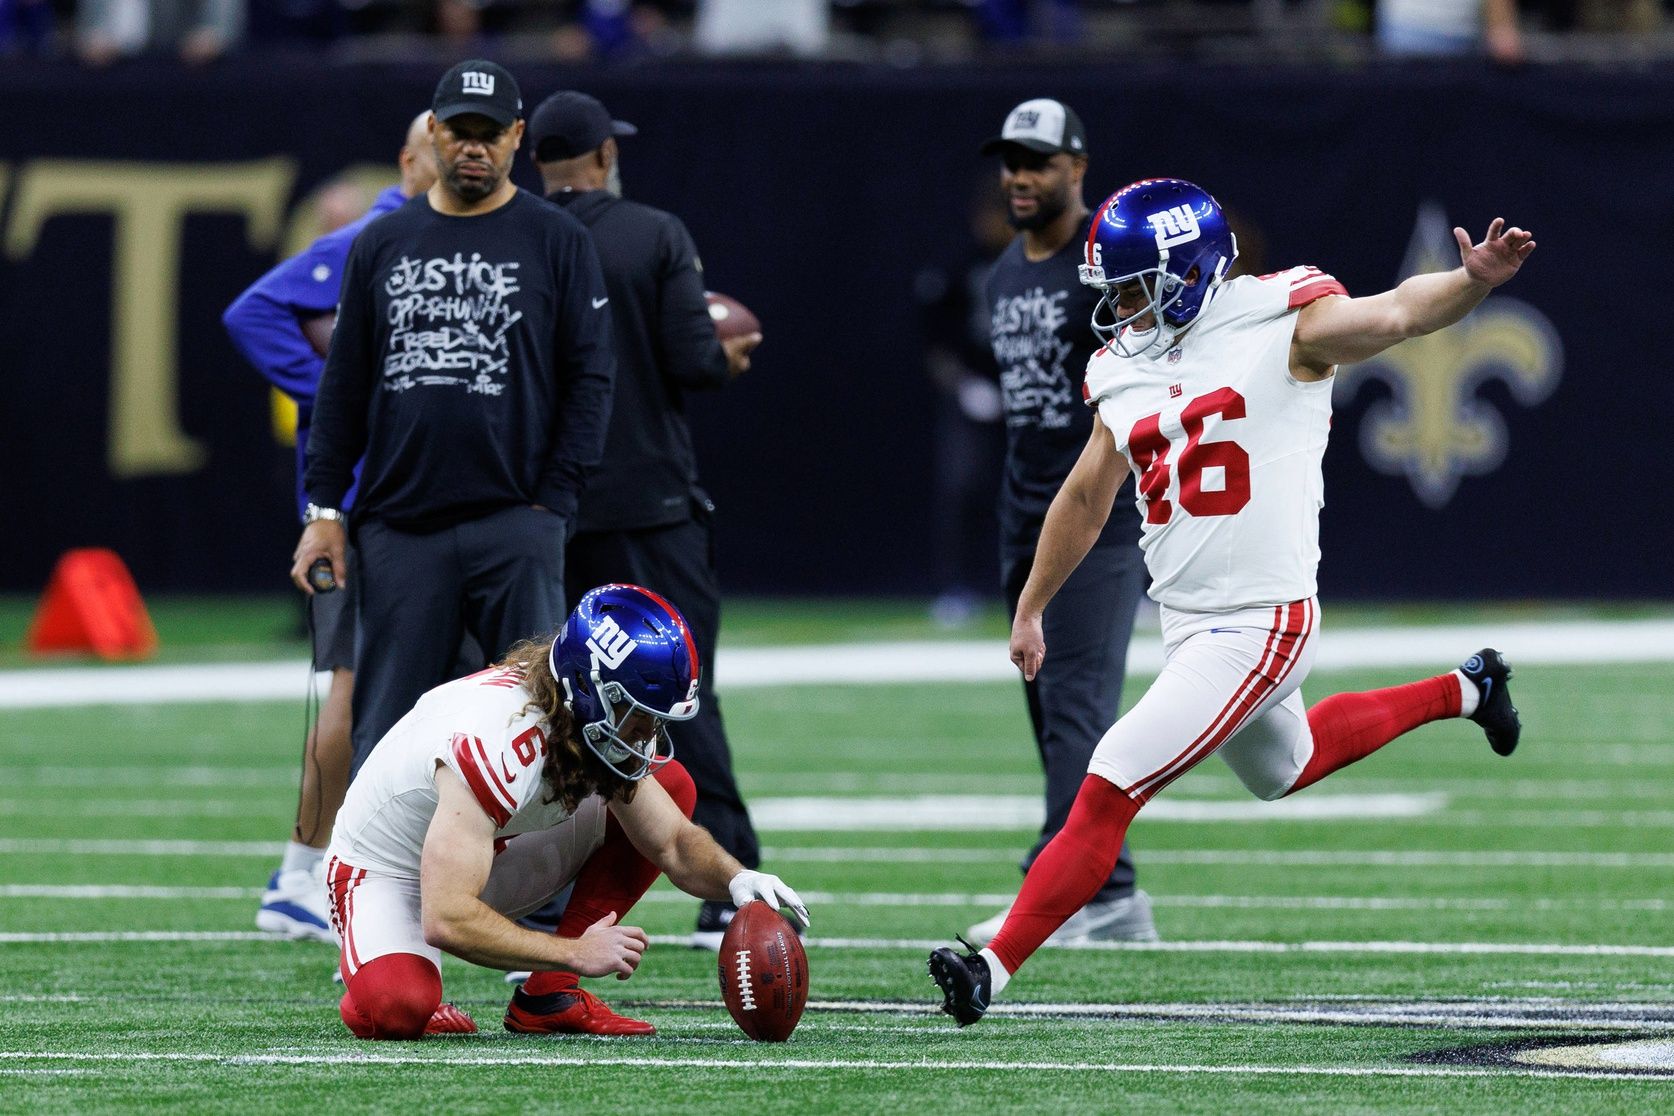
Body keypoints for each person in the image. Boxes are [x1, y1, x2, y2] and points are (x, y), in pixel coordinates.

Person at [928, 178, 1532, 1027]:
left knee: (1109, 782)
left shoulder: (1279, 320)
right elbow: (1085, 496)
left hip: (1262, 618)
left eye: (1137, 288)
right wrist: (1031, 606)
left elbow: (1398, 313)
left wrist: (1472, 282)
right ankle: (1469, 689)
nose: (1122, 309)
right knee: (1287, 764)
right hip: (1192, 624)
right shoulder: (1123, 364)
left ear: (1191, 271)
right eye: (1116, 291)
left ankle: (992, 966)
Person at [292, 60, 616, 780]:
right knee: (388, 729)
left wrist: (554, 503)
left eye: (490, 133)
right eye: (460, 131)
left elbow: (592, 379)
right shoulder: (381, 241)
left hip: (516, 518)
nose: (474, 146)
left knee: (539, 724)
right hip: (401, 526)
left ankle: (530, 899)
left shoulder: (556, 238)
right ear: (433, 133)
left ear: (516, 137)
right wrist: (324, 510)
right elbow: (342, 386)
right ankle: (379, 891)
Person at [324, 583, 810, 1038]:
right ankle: (374, 970)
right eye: (640, 715)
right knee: (398, 1007)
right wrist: (576, 952)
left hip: (486, 848)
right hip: (384, 871)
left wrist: (735, 879)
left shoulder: (576, 712)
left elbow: (675, 843)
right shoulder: (494, 741)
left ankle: (547, 997)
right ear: (591, 686)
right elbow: (447, 917)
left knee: (670, 784)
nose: (647, 733)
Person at [525, 90, 770, 950]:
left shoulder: (518, 238)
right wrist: (727, 352)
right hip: (653, 504)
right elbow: (689, 358)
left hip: (551, 508)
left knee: (555, 702)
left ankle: (543, 889)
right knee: (678, 695)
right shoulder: (652, 232)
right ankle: (729, 879)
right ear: (601, 157)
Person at [223, 111, 437, 943]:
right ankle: (301, 871)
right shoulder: (372, 236)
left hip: (407, 497)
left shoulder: (446, 239)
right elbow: (252, 313)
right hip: (354, 499)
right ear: (410, 158)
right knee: (351, 684)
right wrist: (334, 392)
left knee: (411, 687)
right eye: (438, 147)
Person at [970, 98, 1154, 947]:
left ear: (1078, 168)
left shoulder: (1104, 263)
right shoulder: (1004, 269)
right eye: (1011, 161)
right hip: (1027, 513)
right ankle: (1110, 889)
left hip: (1101, 513)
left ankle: (1067, 889)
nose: (1019, 176)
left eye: (1037, 162)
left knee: (1078, 707)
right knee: (1052, 712)